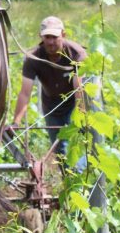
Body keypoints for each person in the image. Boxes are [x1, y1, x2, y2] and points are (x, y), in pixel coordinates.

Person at [10, 16, 87, 171]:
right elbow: (25, 93)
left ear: (63, 35)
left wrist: (81, 117)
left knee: (77, 149)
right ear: (41, 37)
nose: (51, 42)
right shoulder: (33, 58)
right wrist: (16, 123)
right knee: (60, 151)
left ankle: (80, 183)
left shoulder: (76, 54)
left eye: (54, 37)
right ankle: (68, 183)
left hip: (75, 104)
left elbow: (79, 90)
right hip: (52, 105)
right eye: (47, 37)